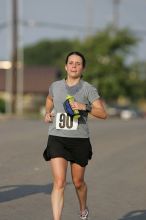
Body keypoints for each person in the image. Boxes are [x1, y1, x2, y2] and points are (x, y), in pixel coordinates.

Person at [43, 51, 107, 220]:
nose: (74, 66)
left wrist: (84, 107)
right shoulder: (55, 86)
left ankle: (83, 209)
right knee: (59, 182)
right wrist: (47, 112)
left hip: (79, 141)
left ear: (83, 68)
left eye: (78, 63)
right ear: (65, 66)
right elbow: (50, 99)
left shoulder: (88, 89)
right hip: (57, 138)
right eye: (71, 63)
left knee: (78, 182)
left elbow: (103, 113)